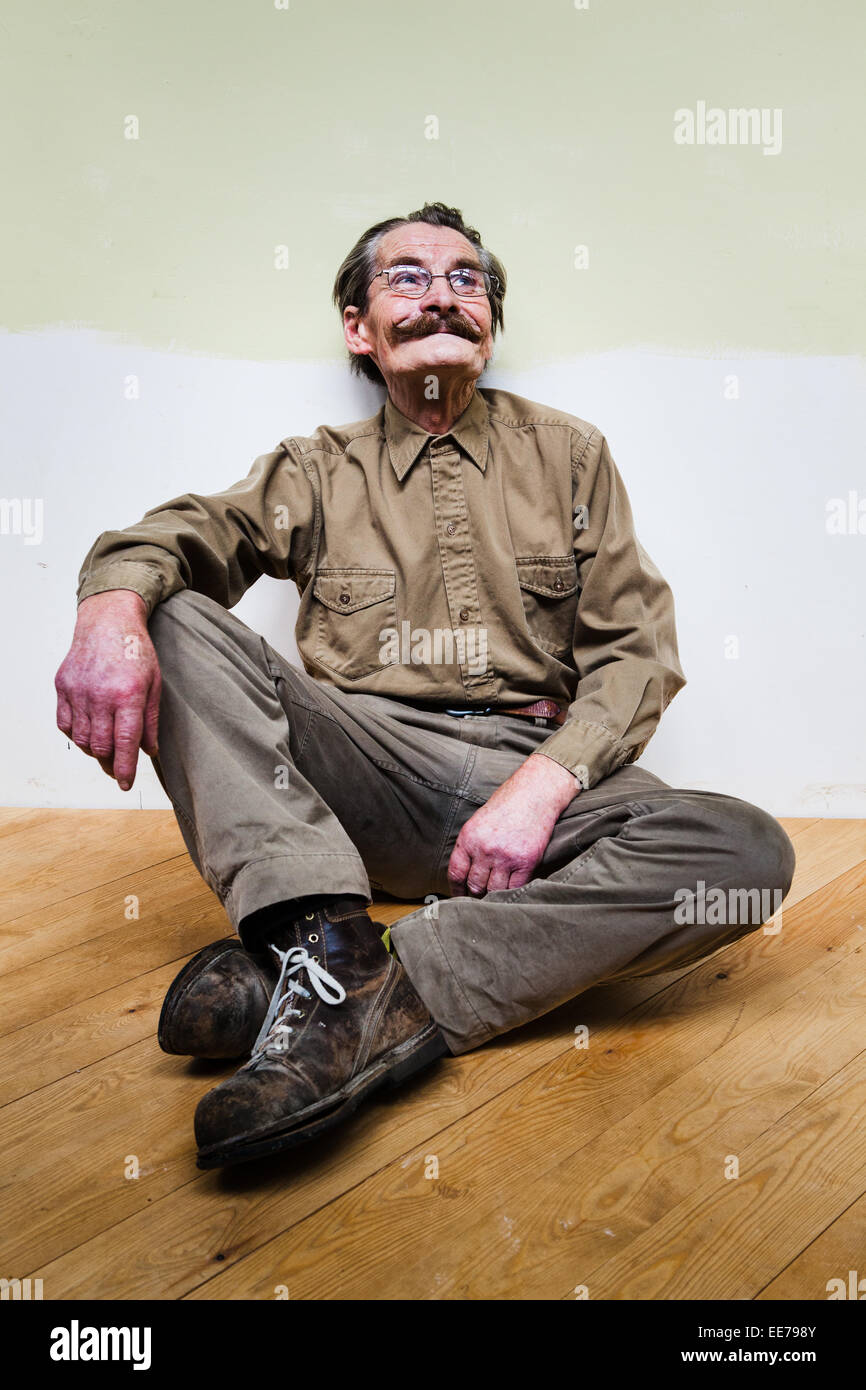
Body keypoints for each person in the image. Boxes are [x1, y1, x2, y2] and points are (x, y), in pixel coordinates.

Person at [55, 202, 796, 1168]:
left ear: (489, 324)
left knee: (739, 857)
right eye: (406, 277)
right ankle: (322, 929)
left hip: (533, 783)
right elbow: (172, 540)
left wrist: (545, 785)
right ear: (360, 329)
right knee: (171, 610)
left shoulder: (571, 455)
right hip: (365, 781)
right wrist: (110, 608)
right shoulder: (314, 470)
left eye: (467, 280)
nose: (442, 293)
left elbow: (637, 652)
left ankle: (350, 977)